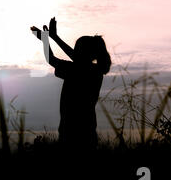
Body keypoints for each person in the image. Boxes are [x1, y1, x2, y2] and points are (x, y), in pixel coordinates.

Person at [31, 18, 111, 151]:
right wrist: (54, 37)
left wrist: (45, 40)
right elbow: (77, 57)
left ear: (82, 52)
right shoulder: (96, 71)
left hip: (70, 130)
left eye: (77, 48)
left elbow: (51, 59)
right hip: (89, 129)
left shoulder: (74, 69)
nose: (74, 50)